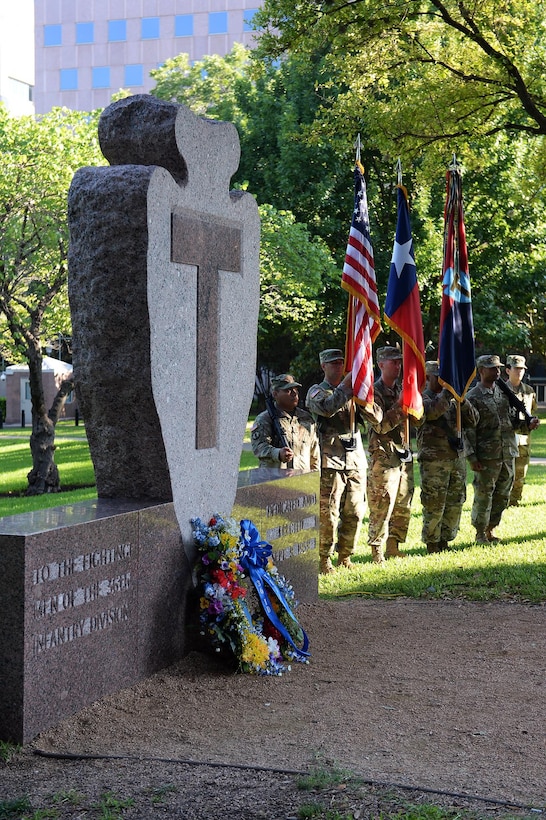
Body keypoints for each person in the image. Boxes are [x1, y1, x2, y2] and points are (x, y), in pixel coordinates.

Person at [306, 348, 382, 574]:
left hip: (356, 460)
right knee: (329, 514)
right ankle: (323, 559)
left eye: (342, 362)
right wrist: (347, 387)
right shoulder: (317, 391)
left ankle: (346, 555)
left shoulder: (354, 392)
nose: (339, 367)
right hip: (331, 461)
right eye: (334, 363)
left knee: (355, 512)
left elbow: (377, 419)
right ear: (323, 367)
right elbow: (327, 408)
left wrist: (364, 398)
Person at [463, 354, 539, 544]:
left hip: (507, 452)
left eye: (498, 368)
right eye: (492, 368)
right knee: (484, 494)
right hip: (487, 456)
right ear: (481, 371)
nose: (497, 371)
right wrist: (472, 457)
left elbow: (511, 422)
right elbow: (467, 430)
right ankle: (480, 532)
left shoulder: (503, 394)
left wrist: (527, 425)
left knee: (503, 494)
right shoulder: (473, 397)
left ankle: (491, 528)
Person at [416, 360, 479, 553]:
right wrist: (448, 392)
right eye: (440, 378)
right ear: (428, 378)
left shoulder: (454, 400)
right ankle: (432, 542)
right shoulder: (421, 398)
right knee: (434, 502)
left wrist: (462, 400)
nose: (444, 382)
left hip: (456, 458)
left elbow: (474, 420)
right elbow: (433, 412)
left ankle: (446, 539)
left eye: (446, 379)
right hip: (434, 460)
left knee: (455, 501)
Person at [367, 345, 421, 564]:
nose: (398, 366)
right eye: (394, 362)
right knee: (382, 505)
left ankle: (393, 546)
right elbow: (380, 425)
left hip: (403, 455)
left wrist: (414, 405)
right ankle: (377, 551)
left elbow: (418, 421)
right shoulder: (373, 392)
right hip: (384, 458)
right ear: (381, 364)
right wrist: (400, 405)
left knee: (402, 503)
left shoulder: (403, 388)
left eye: (400, 362)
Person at [251, 373, 320, 472]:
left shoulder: (306, 418)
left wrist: (315, 475)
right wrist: (277, 453)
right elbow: (259, 447)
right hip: (275, 480)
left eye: (295, 389)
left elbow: (314, 452)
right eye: (288, 390)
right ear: (275, 394)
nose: (294, 393)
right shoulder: (265, 419)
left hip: (302, 480)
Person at [504, 355, 539, 506]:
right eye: (516, 369)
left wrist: (533, 422)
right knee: (505, 473)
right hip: (506, 438)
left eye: (522, 369)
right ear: (507, 370)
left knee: (521, 472)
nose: (519, 372)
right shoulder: (501, 390)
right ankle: (502, 500)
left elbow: (533, 410)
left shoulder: (529, 391)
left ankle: (515, 501)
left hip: (523, 438)